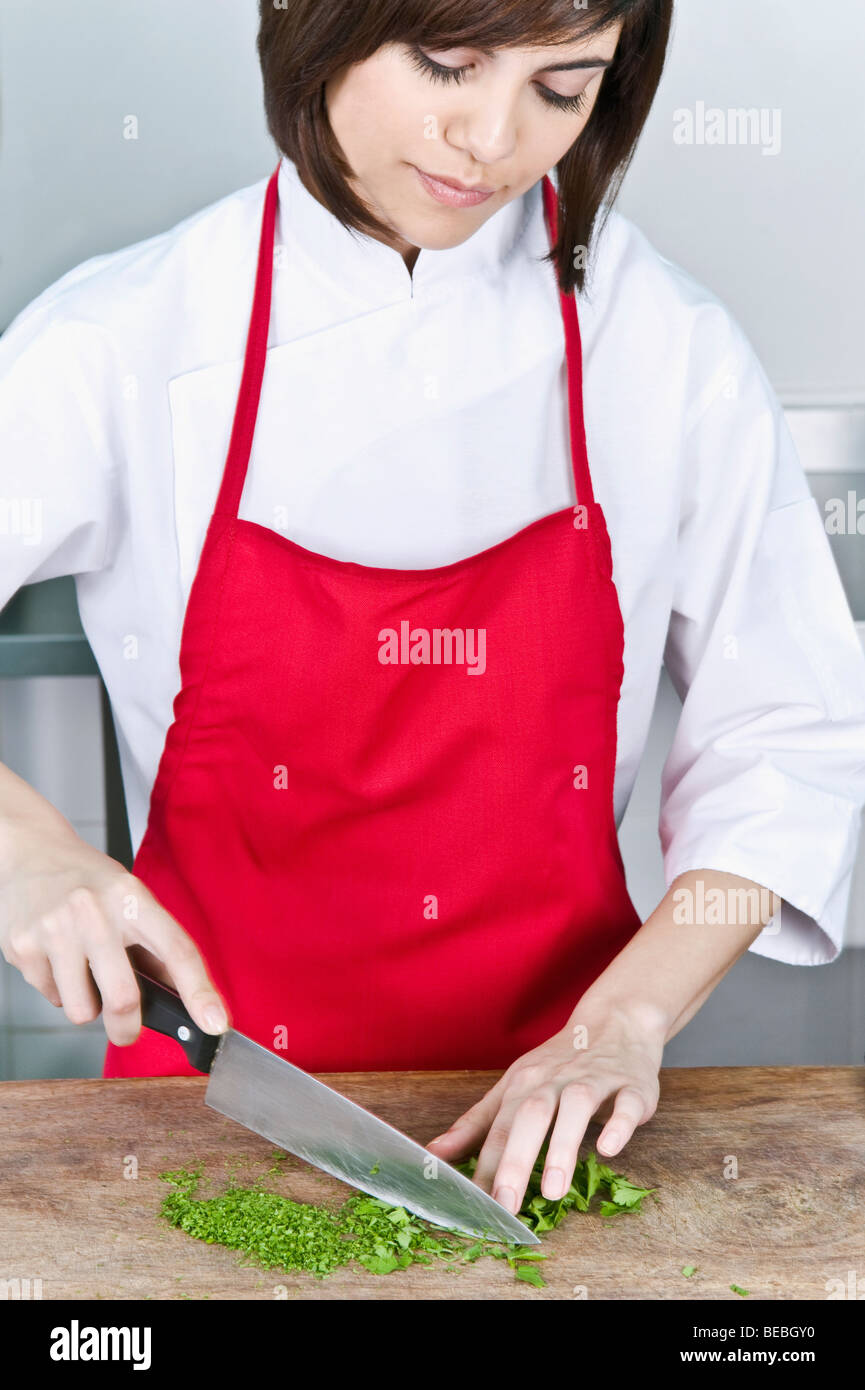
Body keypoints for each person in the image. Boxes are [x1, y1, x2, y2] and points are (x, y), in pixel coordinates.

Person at [1, 0, 864, 1221]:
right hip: (190, 1112)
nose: (490, 139)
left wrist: (624, 1022)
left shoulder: (662, 347)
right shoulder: (128, 334)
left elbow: (788, 731)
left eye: (559, 91)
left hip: (553, 1121)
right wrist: (24, 848)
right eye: (447, 63)